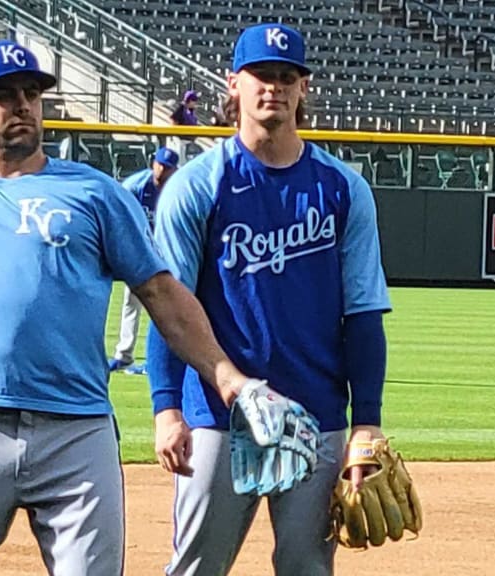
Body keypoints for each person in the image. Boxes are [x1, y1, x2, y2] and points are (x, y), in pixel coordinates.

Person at [0, 40, 272, 576]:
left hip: (78, 431)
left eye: (31, 93)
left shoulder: (94, 192)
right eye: (3, 95)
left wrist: (225, 375)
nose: (22, 105)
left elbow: (162, 294)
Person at [146, 23, 392, 575]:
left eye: (286, 76)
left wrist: (367, 420)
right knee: (197, 567)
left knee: (307, 568)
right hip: (216, 414)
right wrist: (166, 408)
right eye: (261, 75)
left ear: (304, 88)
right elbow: (168, 307)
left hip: (316, 414)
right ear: (234, 84)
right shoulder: (198, 185)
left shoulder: (343, 189)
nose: (273, 87)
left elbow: (363, 312)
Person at [107, 146, 180, 375]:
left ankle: (161, 359)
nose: (162, 170)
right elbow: (118, 216)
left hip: (168, 252)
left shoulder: (178, 187)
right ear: (153, 163)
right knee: (132, 302)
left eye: (167, 167)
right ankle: (124, 355)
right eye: (160, 165)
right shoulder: (135, 186)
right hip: (141, 251)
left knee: (168, 306)